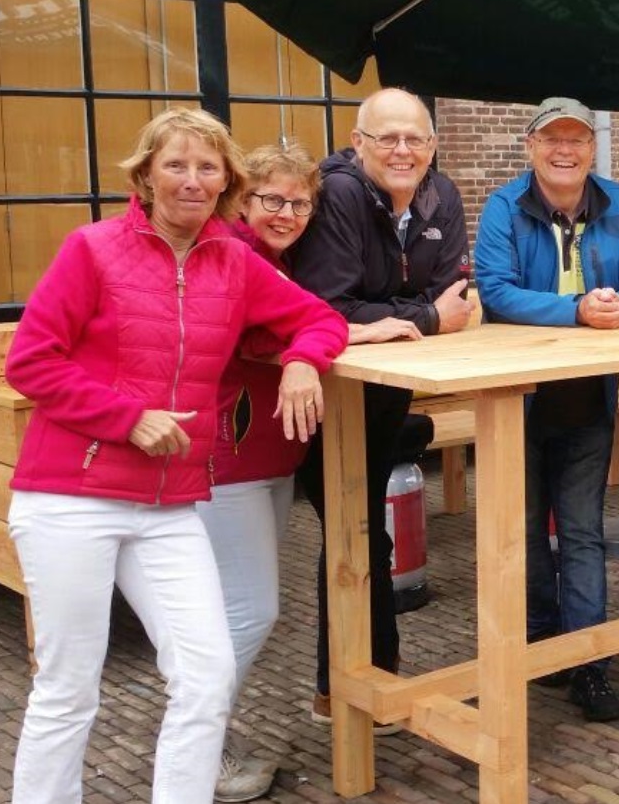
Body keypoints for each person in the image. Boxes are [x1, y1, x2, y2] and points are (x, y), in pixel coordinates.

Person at [3, 108, 348, 804]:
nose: (192, 179)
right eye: (176, 164)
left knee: (207, 671)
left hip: (167, 506)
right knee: (69, 685)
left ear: (226, 182)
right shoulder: (92, 248)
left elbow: (320, 318)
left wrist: (303, 362)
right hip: (72, 496)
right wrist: (128, 418)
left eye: (208, 167)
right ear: (146, 174)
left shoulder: (235, 262)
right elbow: (30, 361)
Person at [197, 143, 421, 802]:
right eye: (272, 199)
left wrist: (325, 333)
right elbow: (263, 333)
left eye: (300, 203)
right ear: (244, 200)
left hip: (268, 457)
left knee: (237, 606)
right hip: (229, 455)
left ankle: (202, 738)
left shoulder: (280, 259)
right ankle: (194, 750)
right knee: (247, 609)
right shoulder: (232, 254)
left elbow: (312, 320)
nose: (287, 212)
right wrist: (364, 330)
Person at [473, 96, 619, 722]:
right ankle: (541, 640)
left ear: (591, 149)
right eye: (552, 138)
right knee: (526, 527)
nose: (565, 149)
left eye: (577, 139)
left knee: (581, 529)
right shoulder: (505, 206)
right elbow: (494, 291)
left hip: (586, 392)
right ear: (530, 147)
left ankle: (589, 664)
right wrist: (576, 309)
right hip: (518, 396)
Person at [291, 88, 476, 724]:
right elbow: (330, 308)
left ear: (432, 145)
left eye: (416, 139)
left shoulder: (440, 195)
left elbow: (455, 291)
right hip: (321, 400)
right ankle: (343, 689)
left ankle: (363, 683)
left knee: (365, 532)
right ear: (357, 140)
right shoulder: (337, 194)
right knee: (352, 536)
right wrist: (422, 313)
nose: (403, 151)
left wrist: (413, 310)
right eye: (387, 138)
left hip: (389, 393)